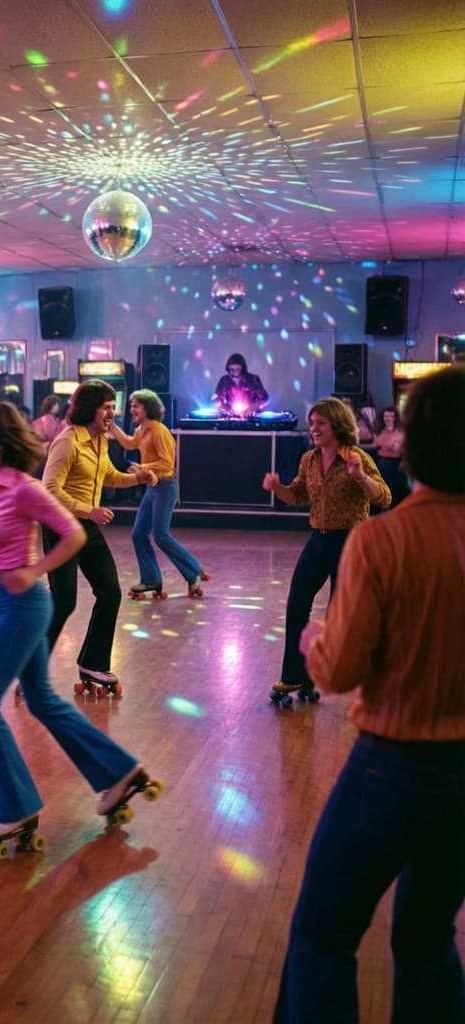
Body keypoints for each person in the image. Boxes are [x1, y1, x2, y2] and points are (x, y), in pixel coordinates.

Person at [273, 365, 465, 1024]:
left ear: (413, 442)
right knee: (428, 936)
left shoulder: (383, 540)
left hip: (394, 766)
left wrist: (315, 644)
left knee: (322, 934)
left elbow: (338, 673)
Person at [0, 402, 161, 846]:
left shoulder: (23, 488)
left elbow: (74, 534)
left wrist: (35, 569)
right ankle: (117, 773)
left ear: (1, 441)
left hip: (24, 605)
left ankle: (17, 803)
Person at [262, 396, 391, 702]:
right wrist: (278, 488)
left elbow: (383, 497)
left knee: (338, 616)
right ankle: (295, 677)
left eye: (321, 423)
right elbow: (298, 495)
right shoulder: (309, 459)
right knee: (297, 604)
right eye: (312, 423)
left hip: (349, 543)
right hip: (318, 539)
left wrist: (359, 476)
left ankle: (366, 672)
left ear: (338, 425)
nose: (314, 428)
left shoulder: (356, 457)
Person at [42, 379, 156, 693]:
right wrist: (87, 510)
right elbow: (49, 489)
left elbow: (107, 475)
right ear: (91, 409)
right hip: (60, 526)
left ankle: (93, 662)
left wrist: (138, 478)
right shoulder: (68, 441)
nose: (112, 412)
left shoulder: (100, 441)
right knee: (63, 603)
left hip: (85, 525)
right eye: (106, 407)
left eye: (112, 406)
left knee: (110, 591)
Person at [112, 389, 209, 599]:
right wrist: (111, 426)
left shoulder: (158, 430)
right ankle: (151, 580)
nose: (132, 409)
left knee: (161, 535)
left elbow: (167, 463)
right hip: (152, 487)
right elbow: (129, 443)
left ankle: (194, 571)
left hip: (166, 486)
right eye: (131, 406)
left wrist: (142, 466)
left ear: (148, 407)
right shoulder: (143, 429)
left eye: (136, 405)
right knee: (138, 534)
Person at [372, 405, 410, 506]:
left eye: (391, 416)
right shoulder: (378, 430)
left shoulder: (401, 430)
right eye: (386, 417)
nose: (388, 419)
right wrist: (392, 445)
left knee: (400, 485)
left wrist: (396, 446)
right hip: (383, 461)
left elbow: (403, 444)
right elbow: (378, 444)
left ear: (395, 418)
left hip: (398, 461)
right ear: (383, 418)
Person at [214, 352, 269, 417]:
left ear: (243, 368)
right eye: (232, 370)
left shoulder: (253, 379)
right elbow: (217, 400)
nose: (235, 372)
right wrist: (227, 409)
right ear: (228, 369)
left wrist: (253, 408)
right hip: (231, 417)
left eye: (238, 369)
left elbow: (265, 399)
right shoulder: (224, 380)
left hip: (250, 417)